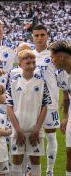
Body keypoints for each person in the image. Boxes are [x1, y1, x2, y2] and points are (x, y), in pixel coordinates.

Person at [6, 50, 51, 176]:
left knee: (35, 160)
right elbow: (9, 107)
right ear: (20, 64)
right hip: (17, 128)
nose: (31, 66)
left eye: (33, 62)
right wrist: (18, 130)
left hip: (35, 129)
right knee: (17, 159)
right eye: (28, 63)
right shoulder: (13, 82)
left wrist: (37, 129)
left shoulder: (41, 81)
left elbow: (44, 106)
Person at [32, 25, 60, 176]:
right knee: (33, 135)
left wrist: (65, 97)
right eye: (36, 35)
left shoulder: (54, 54)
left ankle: (50, 171)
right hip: (32, 103)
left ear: (47, 36)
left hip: (50, 103)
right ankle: (33, 170)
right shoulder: (28, 54)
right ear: (32, 37)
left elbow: (62, 76)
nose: (39, 38)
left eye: (42, 35)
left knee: (50, 135)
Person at [49, 41, 71, 176]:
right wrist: (65, 117)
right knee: (69, 151)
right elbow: (67, 97)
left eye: (53, 57)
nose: (52, 60)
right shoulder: (61, 74)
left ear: (61, 57)